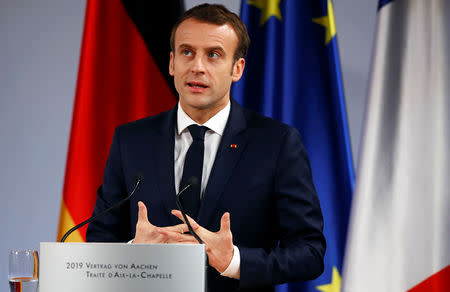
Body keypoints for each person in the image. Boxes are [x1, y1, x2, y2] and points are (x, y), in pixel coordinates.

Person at [86, 4, 326, 292]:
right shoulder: (131, 140)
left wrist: (233, 261)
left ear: (237, 69)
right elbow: (99, 239)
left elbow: (309, 252)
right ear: (172, 63)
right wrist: (135, 251)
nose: (197, 66)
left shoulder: (277, 143)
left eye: (213, 55)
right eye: (187, 52)